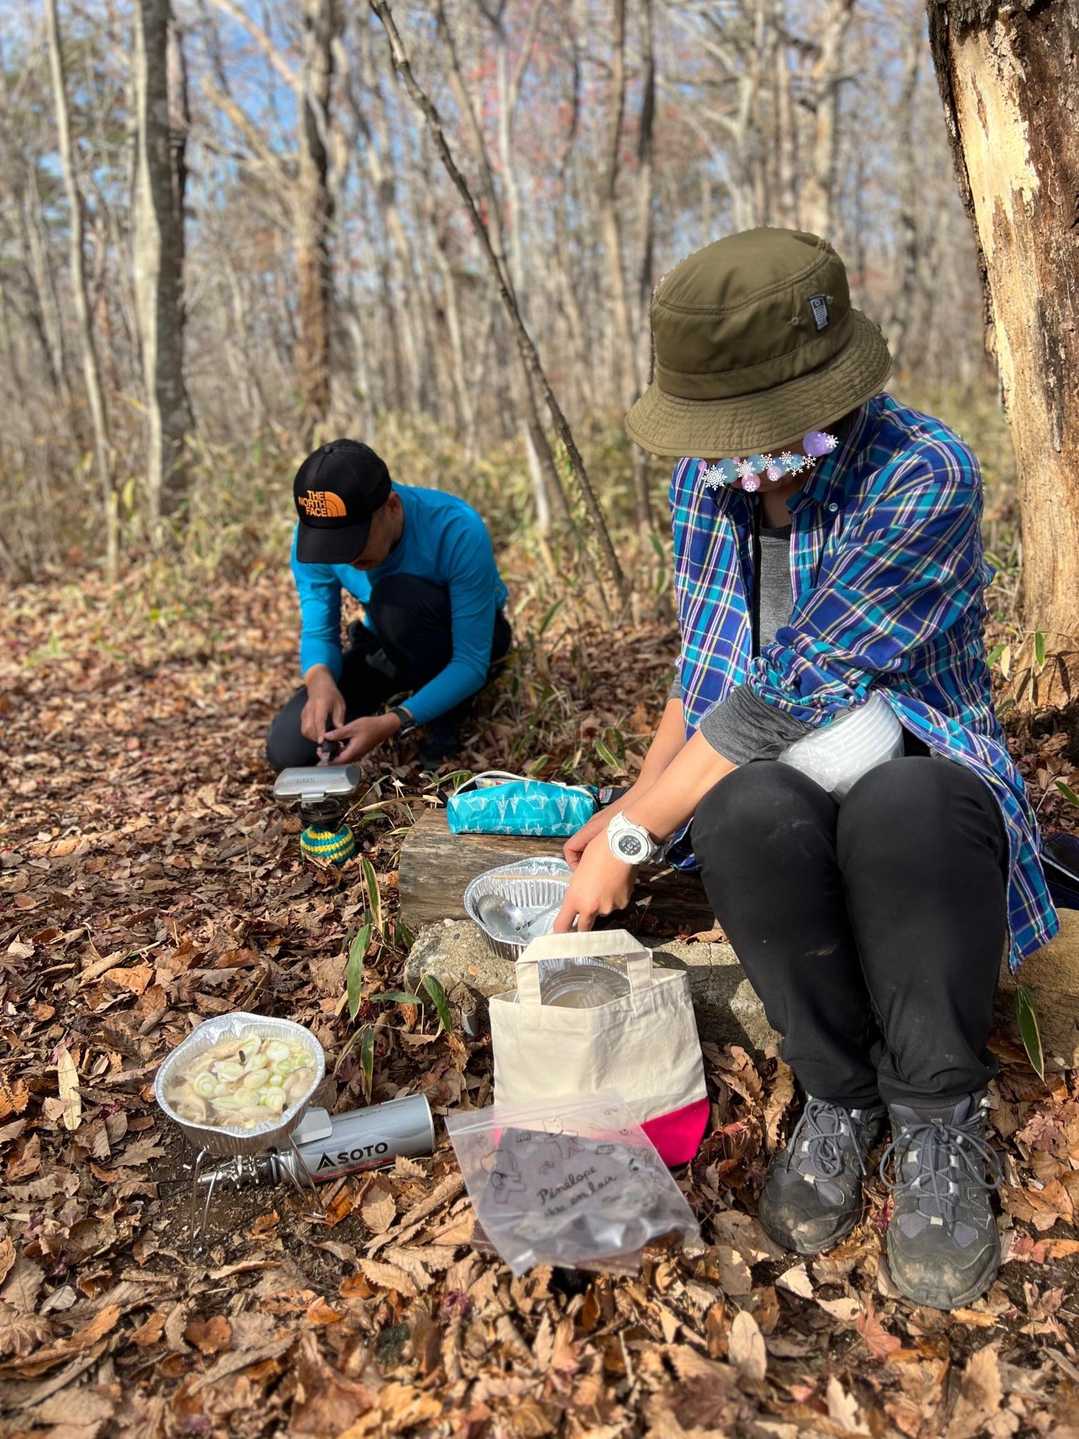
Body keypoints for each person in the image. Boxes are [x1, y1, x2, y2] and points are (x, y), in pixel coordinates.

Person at [555, 228, 1058, 1310]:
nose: (743, 457)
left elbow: (790, 685)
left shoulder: (921, 474)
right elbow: (706, 670)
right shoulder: (708, 490)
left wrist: (639, 830)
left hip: (913, 771)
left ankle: (935, 1111)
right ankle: (836, 1090)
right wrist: (631, 806)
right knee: (740, 815)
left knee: (906, 806)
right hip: (772, 779)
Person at [266, 439, 511, 771]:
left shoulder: (455, 527)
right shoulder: (315, 535)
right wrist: (319, 680)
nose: (347, 557)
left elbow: (471, 660)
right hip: (386, 640)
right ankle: (408, 688)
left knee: (395, 600)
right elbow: (319, 631)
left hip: (462, 639)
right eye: (333, 545)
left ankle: (446, 720)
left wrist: (394, 721)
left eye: (354, 539)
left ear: (392, 506)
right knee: (289, 751)